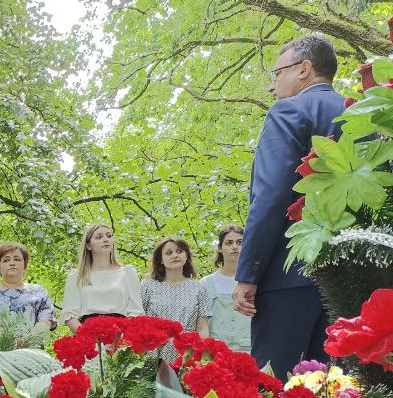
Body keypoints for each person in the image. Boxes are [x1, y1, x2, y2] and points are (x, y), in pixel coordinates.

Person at [234, 33, 345, 377]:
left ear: (304, 69)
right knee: (341, 392)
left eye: (277, 73)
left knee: (278, 391)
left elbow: (269, 197)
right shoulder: (361, 115)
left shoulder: (288, 111)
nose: (272, 86)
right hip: (350, 276)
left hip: (289, 274)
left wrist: (248, 272)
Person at [59, 223, 143, 329]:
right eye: (99, 237)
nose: (106, 239)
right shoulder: (76, 276)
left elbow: (136, 312)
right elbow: (70, 315)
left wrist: (119, 340)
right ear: (88, 245)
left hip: (120, 335)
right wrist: (88, 340)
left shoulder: (128, 273)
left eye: (109, 236)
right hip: (87, 336)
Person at [140, 237, 210, 362]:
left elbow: (202, 328)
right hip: (153, 352)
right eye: (169, 253)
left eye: (179, 251)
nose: (175, 255)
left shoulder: (199, 288)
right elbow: (138, 321)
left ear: (186, 256)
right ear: (161, 259)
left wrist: (201, 356)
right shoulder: (147, 285)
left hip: (186, 353)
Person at [0, 242, 56, 343]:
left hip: (30, 354)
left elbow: (46, 321)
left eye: (17, 259)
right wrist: (8, 341)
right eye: (6, 260)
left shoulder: (39, 292)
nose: (12, 263)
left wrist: (25, 341)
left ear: (25, 265)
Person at [202, 224, 252, 353]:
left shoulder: (254, 282)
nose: (235, 247)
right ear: (220, 248)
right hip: (217, 354)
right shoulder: (206, 283)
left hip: (250, 352)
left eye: (239, 242)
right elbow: (201, 324)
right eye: (229, 243)